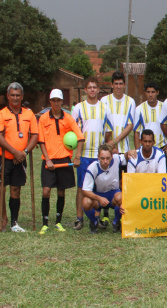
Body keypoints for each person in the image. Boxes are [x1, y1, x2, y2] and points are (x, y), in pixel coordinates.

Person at [0, 82, 39, 232]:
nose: (15, 98)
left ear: (22, 96)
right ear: (8, 96)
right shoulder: (0, 115)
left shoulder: (29, 114)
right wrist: (14, 151)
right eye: (12, 95)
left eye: (18, 95)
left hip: (21, 158)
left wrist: (23, 153)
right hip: (3, 158)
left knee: (15, 190)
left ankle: (14, 222)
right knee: (0, 189)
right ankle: (3, 216)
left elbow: (35, 135)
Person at [37, 89, 84, 235]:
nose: (56, 103)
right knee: (46, 191)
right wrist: (48, 159)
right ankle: (45, 223)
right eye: (53, 100)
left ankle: (58, 221)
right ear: (50, 101)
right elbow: (41, 141)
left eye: (58, 100)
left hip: (64, 159)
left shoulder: (68, 118)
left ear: (62, 101)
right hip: (49, 161)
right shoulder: (44, 118)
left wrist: (77, 157)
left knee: (61, 191)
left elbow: (80, 137)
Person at [70, 78, 112, 230]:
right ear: (85, 90)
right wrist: (78, 155)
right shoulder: (78, 108)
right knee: (82, 188)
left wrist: (102, 148)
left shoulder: (104, 107)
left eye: (95, 87)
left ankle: (96, 218)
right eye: (90, 87)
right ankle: (79, 218)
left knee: (97, 188)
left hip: (98, 156)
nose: (92, 90)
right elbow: (73, 131)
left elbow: (108, 132)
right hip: (84, 155)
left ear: (98, 89)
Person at [82, 144, 126, 233]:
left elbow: (127, 156)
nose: (105, 161)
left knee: (122, 198)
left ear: (112, 157)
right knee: (86, 202)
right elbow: (85, 190)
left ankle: (116, 221)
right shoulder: (92, 168)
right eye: (102, 158)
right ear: (98, 157)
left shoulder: (117, 159)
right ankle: (94, 222)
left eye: (108, 158)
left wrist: (131, 152)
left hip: (113, 194)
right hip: (98, 196)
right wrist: (99, 198)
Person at [102, 71, 135, 155]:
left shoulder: (130, 101)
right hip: (107, 149)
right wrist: (110, 144)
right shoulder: (104, 101)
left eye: (120, 84)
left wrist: (114, 141)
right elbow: (102, 125)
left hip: (124, 149)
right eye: (116, 84)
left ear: (124, 85)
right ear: (111, 85)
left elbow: (130, 125)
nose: (118, 86)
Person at [134, 82, 165, 154]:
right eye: (148, 92)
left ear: (157, 92)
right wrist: (137, 150)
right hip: (145, 148)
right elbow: (136, 131)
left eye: (153, 92)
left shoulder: (164, 107)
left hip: (161, 147)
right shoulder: (139, 109)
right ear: (145, 92)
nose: (150, 95)